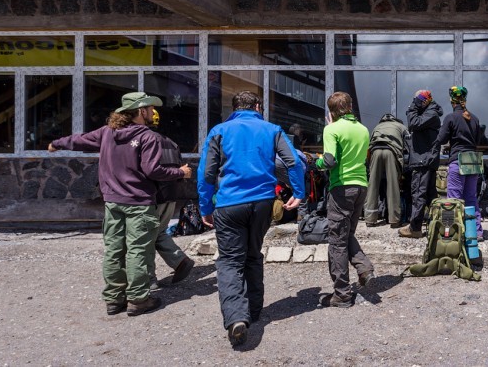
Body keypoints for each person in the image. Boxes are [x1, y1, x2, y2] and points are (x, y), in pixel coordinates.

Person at [49, 92, 192, 317]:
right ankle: (138, 299)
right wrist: (180, 172)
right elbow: (153, 170)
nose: (152, 112)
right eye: (149, 108)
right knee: (138, 250)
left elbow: (79, 139)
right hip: (139, 202)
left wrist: (56, 143)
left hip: (112, 202)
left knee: (114, 250)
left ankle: (114, 299)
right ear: (141, 111)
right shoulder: (148, 137)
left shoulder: (107, 132)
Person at [197, 91, 304, 347]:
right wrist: (298, 193)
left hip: (229, 204)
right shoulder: (272, 129)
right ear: (257, 106)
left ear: (234, 108)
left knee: (230, 261)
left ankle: (236, 317)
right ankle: (254, 311)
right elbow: (294, 162)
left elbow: (206, 172)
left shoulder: (219, 130)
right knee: (254, 254)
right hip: (262, 203)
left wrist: (204, 206)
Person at [314, 91, 375, 308]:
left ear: (331, 111)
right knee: (347, 233)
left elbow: (330, 160)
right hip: (361, 186)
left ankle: (341, 294)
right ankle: (364, 268)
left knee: (337, 240)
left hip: (341, 187)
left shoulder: (331, 129)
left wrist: (316, 163)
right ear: (350, 107)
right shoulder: (363, 129)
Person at [147, 110, 195, 290]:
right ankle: (180, 262)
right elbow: (180, 170)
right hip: (171, 196)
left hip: (153, 196)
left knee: (146, 238)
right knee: (158, 233)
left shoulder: (144, 141)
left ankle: (149, 279)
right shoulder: (171, 143)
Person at [431, 86, 484, 240]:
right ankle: (476, 232)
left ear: (451, 100)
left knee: (453, 199)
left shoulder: (451, 118)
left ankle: (452, 233)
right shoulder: (474, 118)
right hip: (473, 162)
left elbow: (441, 139)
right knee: (471, 198)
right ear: (465, 100)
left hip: (458, 161)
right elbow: (477, 141)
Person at [399, 89, 443, 239]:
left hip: (423, 160)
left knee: (418, 193)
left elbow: (413, 123)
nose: (414, 103)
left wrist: (413, 106)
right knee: (430, 195)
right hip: (425, 159)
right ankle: (438, 224)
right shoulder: (429, 112)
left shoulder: (431, 113)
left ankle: (415, 228)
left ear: (423, 101)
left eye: (416, 100)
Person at [364, 113, 408, 228]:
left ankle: (370, 219)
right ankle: (394, 220)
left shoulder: (377, 127)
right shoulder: (401, 126)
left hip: (375, 151)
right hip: (391, 151)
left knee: (373, 184)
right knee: (393, 185)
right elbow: (409, 144)